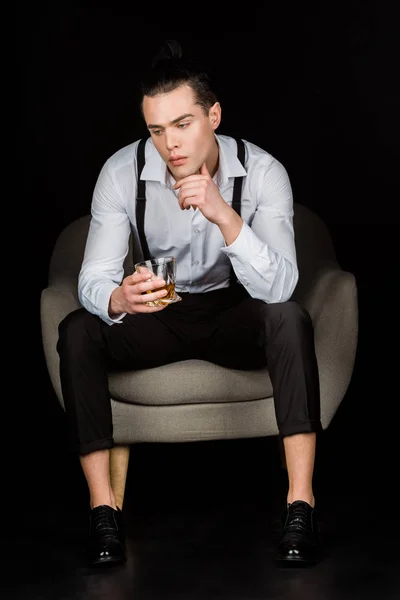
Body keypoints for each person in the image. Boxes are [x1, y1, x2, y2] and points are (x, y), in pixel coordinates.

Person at [57, 39, 322, 568]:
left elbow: (280, 288)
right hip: (162, 311)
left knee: (290, 318)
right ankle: (103, 510)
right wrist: (117, 296)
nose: (170, 145)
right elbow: (93, 276)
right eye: (157, 130)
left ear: (214, 115)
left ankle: (301, 502)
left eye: (183, 124)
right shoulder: (120, 172)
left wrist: (225, 214)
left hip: (235, 311)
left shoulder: (264, 172)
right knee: (77, 329)